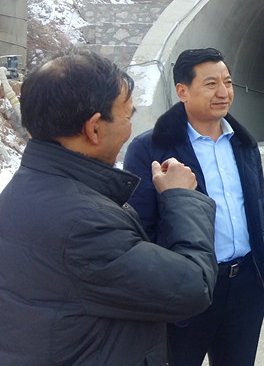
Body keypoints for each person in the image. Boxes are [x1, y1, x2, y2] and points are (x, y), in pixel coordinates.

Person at [0, 51, 218, 364]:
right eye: (127, 117)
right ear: (94, 129)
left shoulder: (24, 188)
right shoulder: (86, 225)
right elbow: (192, 287)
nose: (130, 128)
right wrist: (182, 197)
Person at [124, 47, 264, 365]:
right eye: (211, 84)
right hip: (186, 291)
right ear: (182, 91)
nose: (223, 92)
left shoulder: (243, 143)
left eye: (227, 82)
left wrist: (260, 267)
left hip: (246, 288)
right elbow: (141, 227)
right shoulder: (151, 149)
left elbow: (259, 207)